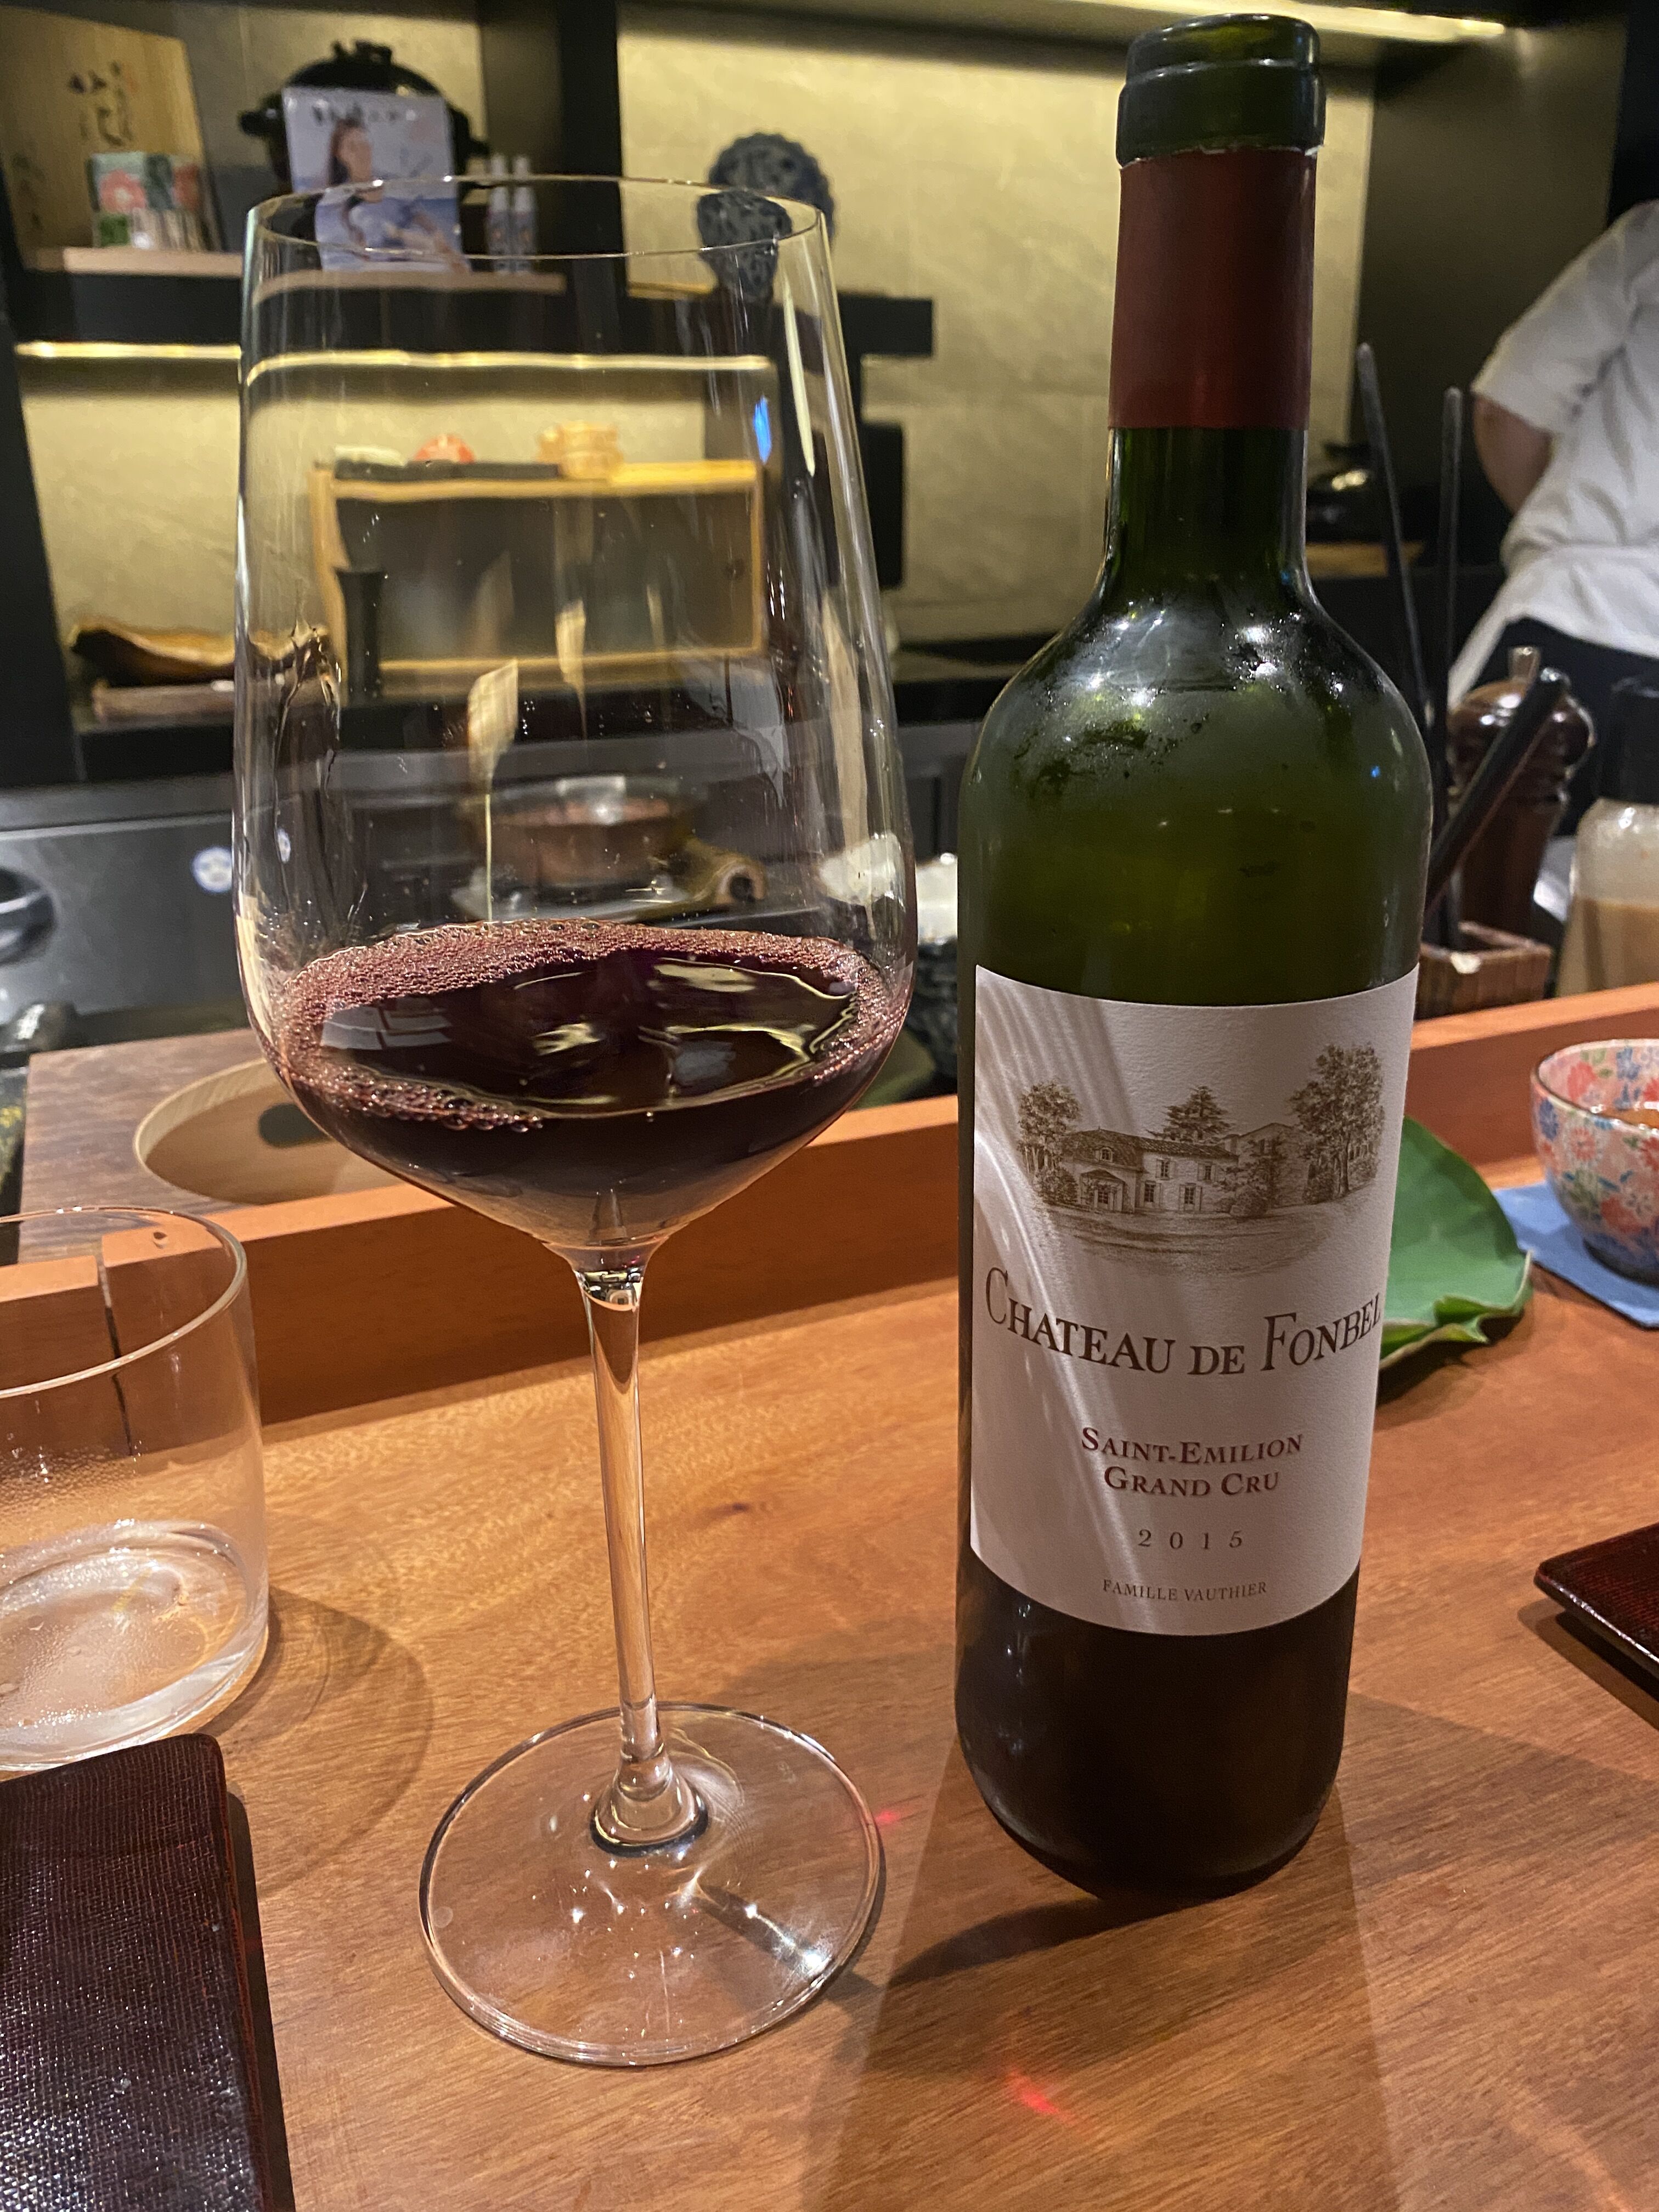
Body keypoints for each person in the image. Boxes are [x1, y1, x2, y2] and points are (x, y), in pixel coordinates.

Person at [1454, 201, 1659, 815]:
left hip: (1575, 619)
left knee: (1458, 855)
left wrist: (1569, 529)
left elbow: (1506, 411)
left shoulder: (1650, 237)